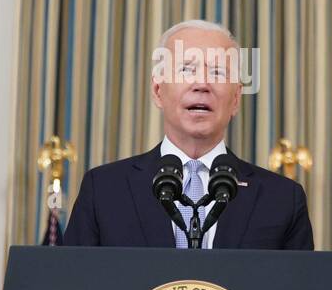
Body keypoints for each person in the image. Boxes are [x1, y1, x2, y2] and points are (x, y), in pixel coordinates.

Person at [61, 20, 314, 249]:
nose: (202, 84)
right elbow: (75, 288)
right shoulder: (105, 190)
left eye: (217, 72)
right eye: (186, 70)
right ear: (158, 91)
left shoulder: (282, 199)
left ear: (236, 99)